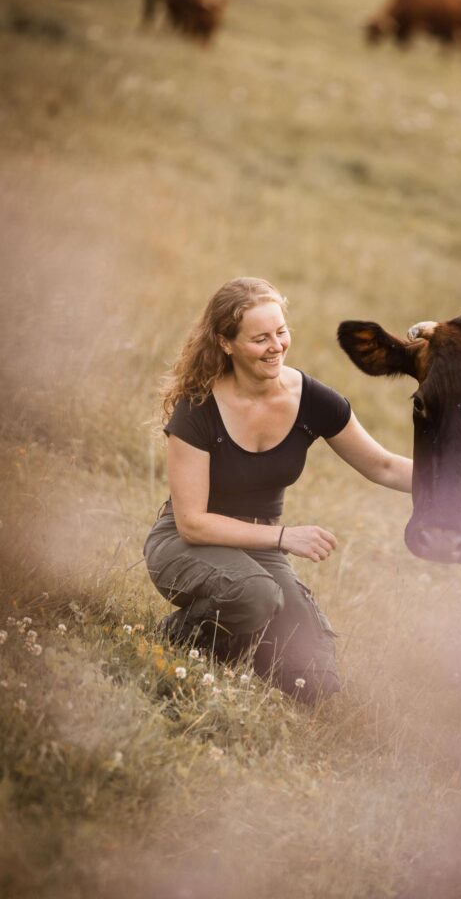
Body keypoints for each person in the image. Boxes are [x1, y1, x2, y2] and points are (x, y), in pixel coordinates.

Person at [143, 277, 412, 703]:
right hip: (183, 544)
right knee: (254, 594)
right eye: (260, 338)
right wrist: (286, 537)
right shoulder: (199, 408)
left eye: (281, 332)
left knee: (312, 682)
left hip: (260, 550)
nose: (277, 346)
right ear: (225, 343)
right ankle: (174, 637)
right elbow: (192, 524)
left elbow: (384, 466)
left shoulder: (313, 400)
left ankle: (234, 652)